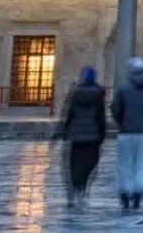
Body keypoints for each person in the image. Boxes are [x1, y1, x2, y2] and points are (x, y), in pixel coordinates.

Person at [111, 57, 143, 210]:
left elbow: (115, 109)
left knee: (124, 164)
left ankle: (124, 193)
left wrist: (122, 123)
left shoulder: (123, 88)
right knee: (141, 164)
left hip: (126, 132)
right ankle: (138, 193)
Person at [53, 66, 106, 209]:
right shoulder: (98, 94)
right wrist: (102, 135)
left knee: (74, 164)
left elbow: (69, 114)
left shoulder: (75, 93)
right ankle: (82, 186)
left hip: (76, 135)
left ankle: (77, 187)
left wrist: (63, 132)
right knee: (90, 163)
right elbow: (100, 117)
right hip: (92, 136)